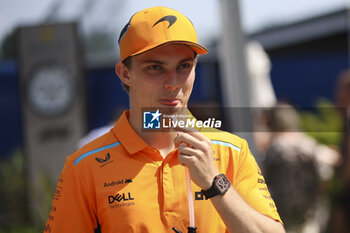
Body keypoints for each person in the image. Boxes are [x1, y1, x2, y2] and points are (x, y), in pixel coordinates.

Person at [44, 6, 285, 233]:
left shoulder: (232, 151)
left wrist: (214, 182)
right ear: (125, 73)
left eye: (184, 66)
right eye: (155, 68)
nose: (173, 83)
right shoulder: (84, 166)